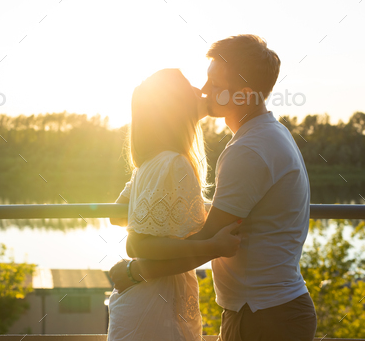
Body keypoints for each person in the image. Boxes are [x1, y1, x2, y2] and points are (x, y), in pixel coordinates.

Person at [109, 35, 317, 341]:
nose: (205, 91)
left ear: (244, 94)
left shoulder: (249, 150)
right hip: (263, 309)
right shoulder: (266, 135)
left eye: (215, 84)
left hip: (264, 316)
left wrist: (133, 272)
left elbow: (207, 241)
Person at [106, 68, 242, 341]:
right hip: (156, 308)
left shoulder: (149, 162)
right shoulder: (173, 163)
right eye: (190, 87)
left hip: (148, 302)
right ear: (177, 106)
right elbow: (136, 244)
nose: (201, 91)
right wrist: (213, 246)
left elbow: (117, 215)